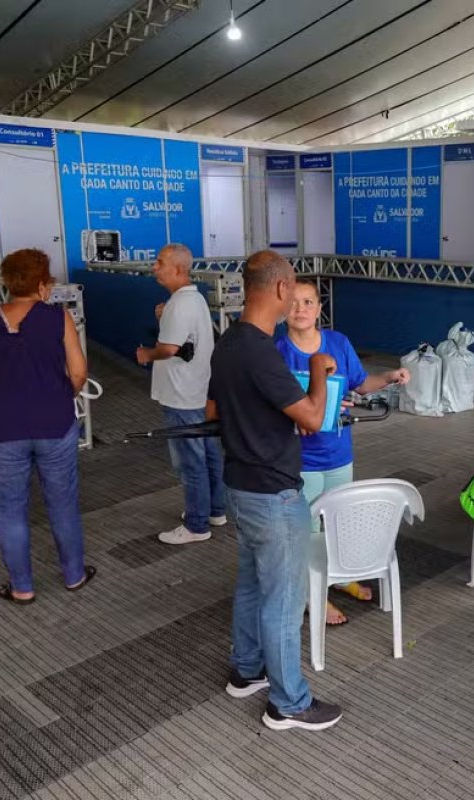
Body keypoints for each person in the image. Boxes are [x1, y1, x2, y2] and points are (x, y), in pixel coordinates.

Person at [209, 250, 342, 731]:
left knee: (250, 585)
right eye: (296, 293)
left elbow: (213, 413)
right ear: (283, 290)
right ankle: (289, 703)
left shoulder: (228, 343)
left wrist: (267, 420)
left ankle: (247, 671)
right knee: (283, 603)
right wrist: (321, 372)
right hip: (273, 495)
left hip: (240, 487)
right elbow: (310, 416)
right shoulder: (261, 351)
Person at [0, 249, 93, 604]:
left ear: (7, 281)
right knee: (63, 503)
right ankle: (74, 575)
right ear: (41, 283)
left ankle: (22, 587)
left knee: (8, 509)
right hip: (55, 422)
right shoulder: (58, 318)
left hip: (3, 426)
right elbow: (79, 372)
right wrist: (62, 394)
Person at [276, 278, 410, 625]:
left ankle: (336, 576)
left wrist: (390, 376)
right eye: (293, 303)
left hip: (338, 453)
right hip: (299, 458)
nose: (300, 309)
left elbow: (360, 384)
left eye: (308, 302)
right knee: (304, 531)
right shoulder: (277, 351)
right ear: (282, 311)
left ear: (320, 308)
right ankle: (311, 595)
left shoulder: (338, 343)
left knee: (336, 523)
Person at [136, 244, 226, 545]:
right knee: (210, 454)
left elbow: (170, 349)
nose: (154, 267)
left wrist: (147, 355)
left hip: (180, 395)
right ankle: (215, 510)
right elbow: (187, 343)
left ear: (177, 268)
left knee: (190, 462)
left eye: (159, 262)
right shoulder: (194, 299)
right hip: (199, 389)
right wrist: (166, 315)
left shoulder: (179, 304)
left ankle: (197, 525)